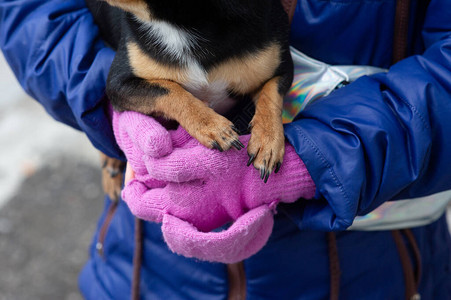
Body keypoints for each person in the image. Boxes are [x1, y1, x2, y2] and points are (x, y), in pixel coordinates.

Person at [1, 0, 450, 299]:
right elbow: (31, 12)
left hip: (373, 263)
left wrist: (315, 160)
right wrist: (112, 107)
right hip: (146, 266)